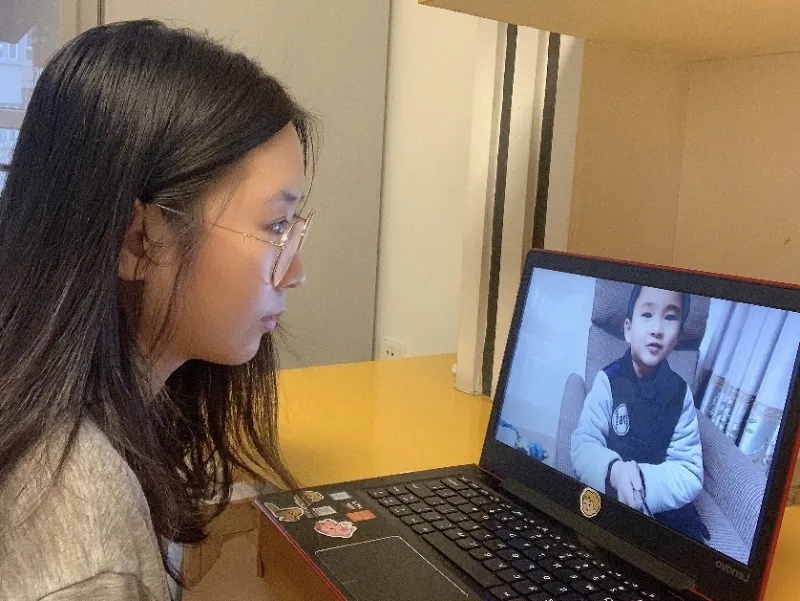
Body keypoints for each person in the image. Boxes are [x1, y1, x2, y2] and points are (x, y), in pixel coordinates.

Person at [0, 19, 317, 600]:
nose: (295, 271)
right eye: (275, 227)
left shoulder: (99, 416)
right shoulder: (81, 528)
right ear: (138, 241)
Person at [571, 285, 709, 541]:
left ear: (678, 337)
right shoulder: (607, 381)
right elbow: (584, 443)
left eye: (670, 317)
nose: (657, 329)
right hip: (610, 493)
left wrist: (643, 482)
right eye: (647, 315)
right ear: (628, 329)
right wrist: (614, 472)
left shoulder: (681, 395)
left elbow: (689, 471)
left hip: (658, 505)